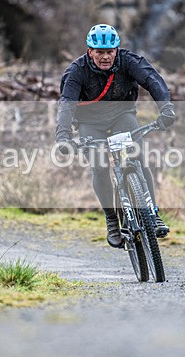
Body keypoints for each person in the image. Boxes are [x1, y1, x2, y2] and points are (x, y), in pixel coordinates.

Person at [55, 24, 176, 248]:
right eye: (99, 52)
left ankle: (151, 211)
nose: (105, 57)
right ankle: (112, 219)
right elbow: (66, 104)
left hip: (122, 115)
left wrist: (166, 108)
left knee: (137, 157)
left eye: (110, 51)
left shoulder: (129, 61)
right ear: (89, 51)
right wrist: (63, 136)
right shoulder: (76, 71)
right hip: (90, 122)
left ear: (117, 50)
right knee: (100, 166)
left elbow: (152, 80)